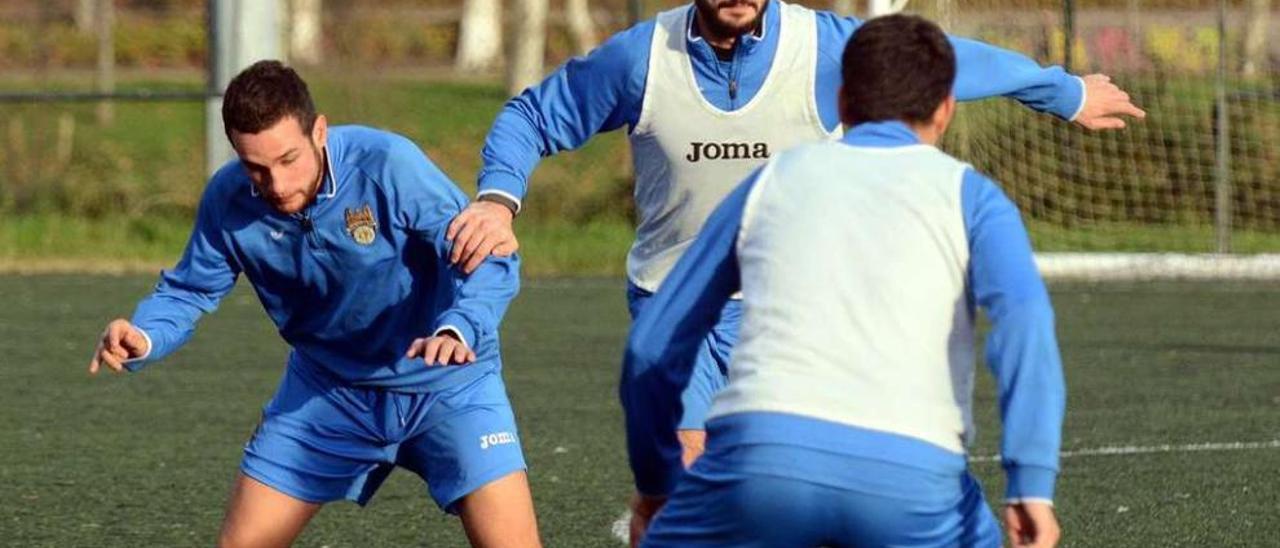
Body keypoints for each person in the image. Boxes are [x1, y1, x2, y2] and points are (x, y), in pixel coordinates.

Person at [447, 0, 1135, 472]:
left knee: (793, 485)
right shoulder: (641, 59)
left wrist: (1064, 93)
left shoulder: (826, 48)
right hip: (673, 307)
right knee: (676, 492)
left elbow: (948, 59)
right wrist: (499, 202)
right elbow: (531, 117)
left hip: (793, 314)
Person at [620, 13, 1066, 547]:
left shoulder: (770, 184)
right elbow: (1027, 323)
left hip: (758, 465)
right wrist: (1030, 484)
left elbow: (653, 347)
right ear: (945, 110)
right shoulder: (974, 198)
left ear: (843, 104)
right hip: (912, 477)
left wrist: (655, 483)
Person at [87, 60, 540, 548]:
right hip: (330, 393)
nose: (276, 185)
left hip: (449, 387)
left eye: (287, 160)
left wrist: (460, 328)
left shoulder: (388, 165)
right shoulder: (229, 199)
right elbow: (190, 289)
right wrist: (145, 334)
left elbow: (490, 255)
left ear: (319, 131)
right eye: (256, 168)